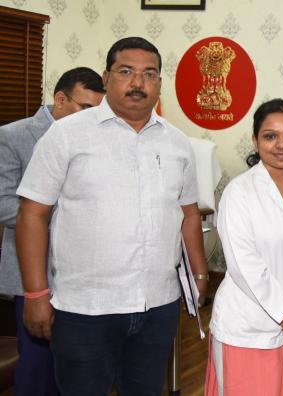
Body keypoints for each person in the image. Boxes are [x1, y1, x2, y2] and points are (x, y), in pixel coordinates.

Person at [15, 36, 208, 396]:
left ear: (160, 83)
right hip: (85, 310)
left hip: (157, 306)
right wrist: (36, 293)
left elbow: (189, 213)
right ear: (106, 78)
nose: (138, 83)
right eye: (126, 72)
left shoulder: (177, 143)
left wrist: (198, 274)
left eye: (149, 74)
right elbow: (32, 215)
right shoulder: (67, 135)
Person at [204, 99, 283, 396]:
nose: (281, 145)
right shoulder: (239, 192)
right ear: (255, 139)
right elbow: (243, 263)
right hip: (250, 326)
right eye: (270, 136)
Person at [0, 67, 104, 396]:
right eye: (86, 108)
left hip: (84, 272)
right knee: (36, 361)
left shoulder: (96, 139)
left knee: (75, 362)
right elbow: (2, 203)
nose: (93, 118)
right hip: (34, 271)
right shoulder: (12, 136)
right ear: (61, 99)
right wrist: (58, 214)